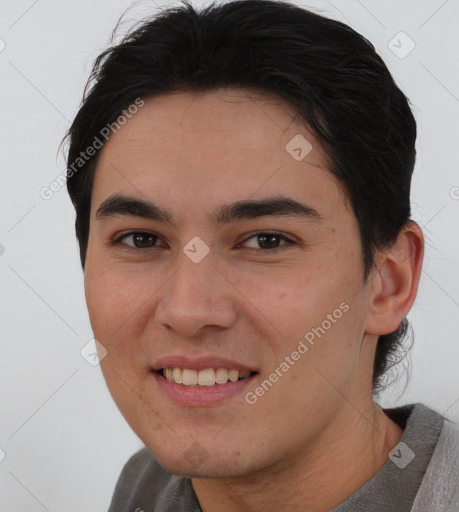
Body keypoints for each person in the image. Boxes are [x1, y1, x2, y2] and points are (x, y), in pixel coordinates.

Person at [62, 0, 459, 510]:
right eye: (141, 239)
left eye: (266, 241)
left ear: (389, 281)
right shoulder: (148, 488)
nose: (188, 310)